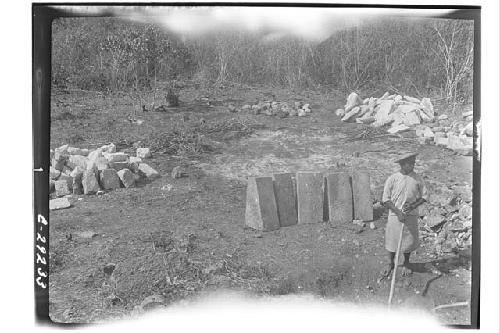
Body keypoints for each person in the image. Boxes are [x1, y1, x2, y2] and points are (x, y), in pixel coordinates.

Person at [379, 152, 429, 278]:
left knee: (408, 240)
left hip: (411, 215)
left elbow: (424, 196)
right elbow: (385, 199)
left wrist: (412, 206)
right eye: (410, 163)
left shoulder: (417, 178)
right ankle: (389, 263)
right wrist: (398, 212)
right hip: (395, 215)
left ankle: (406, 263)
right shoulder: (392, 178)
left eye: (414, 163)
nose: (413, 165)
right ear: (402, 164)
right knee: (392, 239)